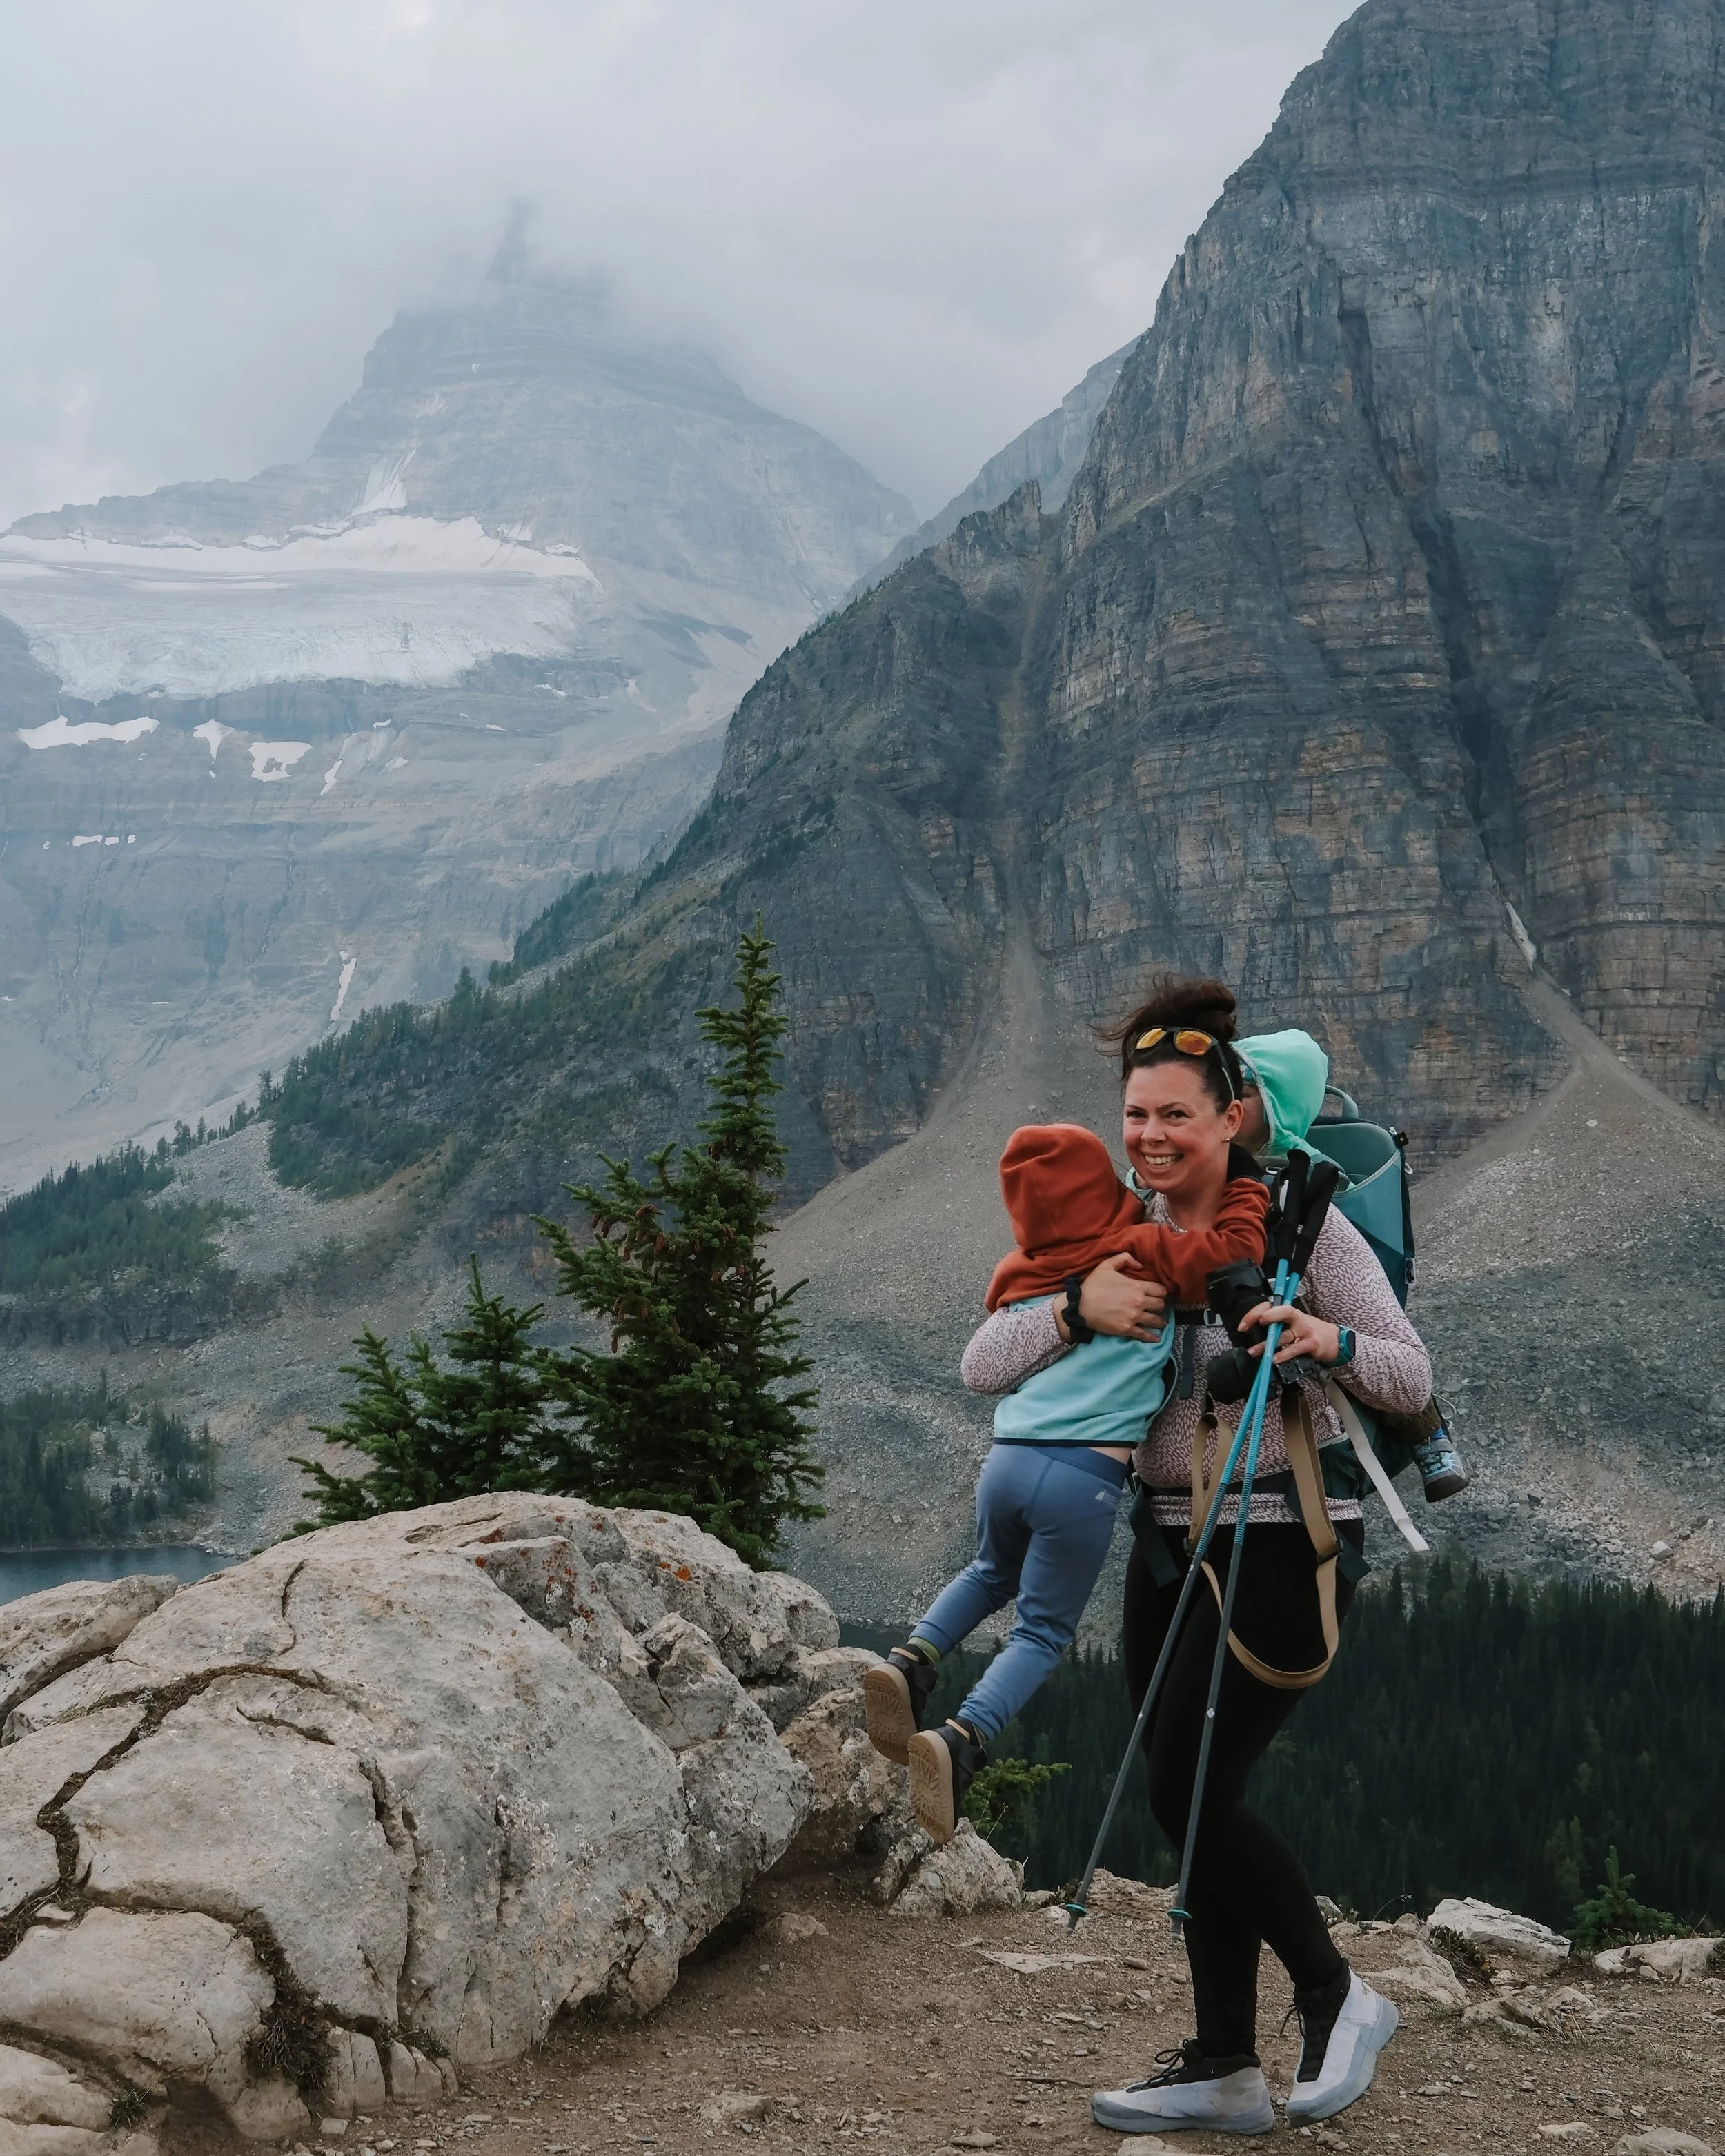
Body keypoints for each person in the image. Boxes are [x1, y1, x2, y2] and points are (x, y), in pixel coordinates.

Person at [962, 977, 1432, 2130]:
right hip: (1165, 1547)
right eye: (1137, 1117)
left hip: (1283, 1537)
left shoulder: (1301, 1228)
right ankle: (1225, 2064)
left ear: (1232, 1118)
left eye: (1177, 1115)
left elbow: (1413, 1377)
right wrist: (1077, 1310)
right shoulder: (1115, 1234)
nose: (1152, 1137)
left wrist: (1326, 1338)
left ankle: (1335, 1996)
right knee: (1192, 1801)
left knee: (1187, 1785)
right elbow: (984, 1362)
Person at [865, 1121, 1270, 1843]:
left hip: (1007, 1458)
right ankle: (962, 1737)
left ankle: (909, 1662)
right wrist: (1244, 1189)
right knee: (1044, 1630)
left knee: (990, 1570)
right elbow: (1225, 1253)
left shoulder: (1028, 1270)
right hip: (1082, 1475)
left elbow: (989, 1357)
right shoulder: (1139, 1252)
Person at [1231, 1027, 1467, 1505]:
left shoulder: (1310, 1180)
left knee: (1356, 1335)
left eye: (1246, 1089)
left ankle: (1426, 1431)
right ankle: (1429, 1435)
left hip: (1321, 1335)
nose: (1225, 1099)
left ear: (1280, 1102)